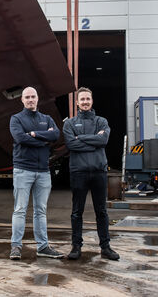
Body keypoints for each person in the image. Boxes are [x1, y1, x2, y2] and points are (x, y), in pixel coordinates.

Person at [63, 87, 119, 261]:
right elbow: (71, 145)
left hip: (99, 172)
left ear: (92, 101)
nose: (85, 102)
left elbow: (104, 140)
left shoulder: (101, 121)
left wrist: (82, 138)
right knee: (76, 211)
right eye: (82, 99)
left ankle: (105, 247)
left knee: (101, 211)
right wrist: (94, 140)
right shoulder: (70, 123)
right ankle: (76, 246)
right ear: (77, 102)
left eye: (88, 99)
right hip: (78, 172)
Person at [9, 86, 64, 260]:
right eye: (27, 97)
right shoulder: (16, 119)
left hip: (43, 171)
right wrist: (43, 139)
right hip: (23, 169)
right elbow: (20, 138)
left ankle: (43, 247)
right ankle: (16, 246)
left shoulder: (46, 119)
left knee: (40, 211)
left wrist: (33, 134)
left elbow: (55, 135)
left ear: (38, 98)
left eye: (33, 96)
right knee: (20, 210)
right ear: (22, 100)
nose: (30, 99)